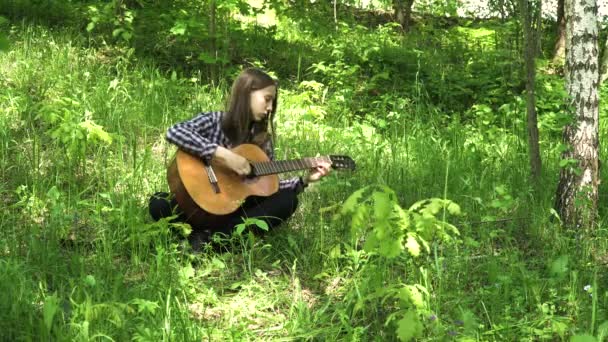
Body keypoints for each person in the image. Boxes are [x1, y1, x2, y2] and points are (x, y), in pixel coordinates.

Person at [149, 68, 331, 250]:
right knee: (159, 202)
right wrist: (223, 155)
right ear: (247, 94)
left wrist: (305, 180)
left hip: (233, 213)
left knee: (288, 200)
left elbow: (269, 188)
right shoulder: (214, 121)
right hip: (197, 206)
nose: (270, 108)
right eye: (267, 99)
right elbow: (175, 132)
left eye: (273, 103)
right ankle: (209, 238)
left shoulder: (262, 141)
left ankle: (211, 240)